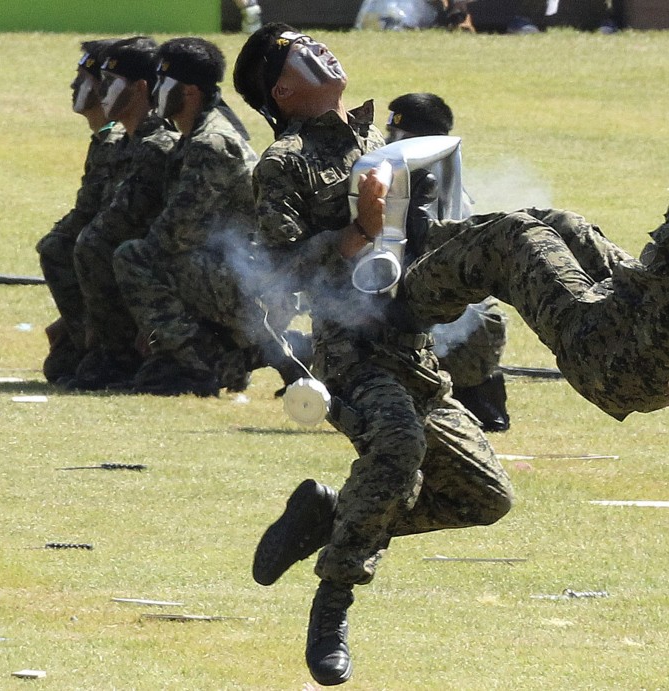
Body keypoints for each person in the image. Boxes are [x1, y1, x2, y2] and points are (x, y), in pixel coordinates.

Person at [233, 24, 514, 686]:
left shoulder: (381, 143)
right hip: (349, 348)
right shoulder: (286, 164)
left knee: (485, 496)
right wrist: (356, 231)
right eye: (300, 51)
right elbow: (281, 268)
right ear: (281, 88)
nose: (321, 49)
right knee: (397, 448)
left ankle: (331, 516)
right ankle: (332, 604)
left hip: (413, 347)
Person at [394, 69, 669, 421]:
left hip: (618, 360)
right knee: (562, 224)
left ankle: (400, 316)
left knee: (516, 236)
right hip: (634, 316)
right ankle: (433, 238)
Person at [112, 36, 293, 396]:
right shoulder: (196, 134)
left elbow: (176, 232)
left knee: (135, 257)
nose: (156, 92)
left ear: (191, 92)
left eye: (164, 83)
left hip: (250, 283)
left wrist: (150, 319)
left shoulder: (211, 143)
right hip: (233, 272)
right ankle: (220, 357)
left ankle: (199, 364)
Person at [386, 92, 511, 432]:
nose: (389, 143)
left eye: (399, 137)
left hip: (459, 334)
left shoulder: (430, 188)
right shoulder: (430, 179)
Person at [69, 36, 181, 390]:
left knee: (98, 245)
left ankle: (122, 355)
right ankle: (107, 348)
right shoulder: (123, 141)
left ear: (140, 89)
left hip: (167, 270)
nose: (100, 91)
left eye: (109, 83)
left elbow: (121, 225)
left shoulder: (156, 145)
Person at [35, 38, 126, 384]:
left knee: (61, 247)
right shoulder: (105, 138)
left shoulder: (115, 141)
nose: (74, 86)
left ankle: (102, 345)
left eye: (83, 78)